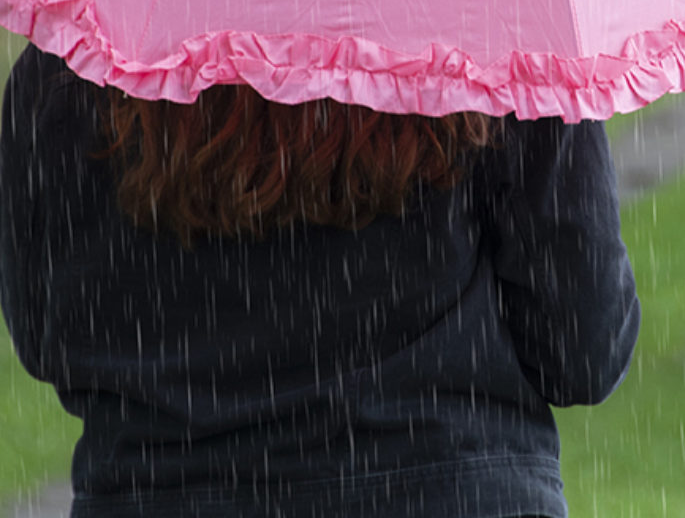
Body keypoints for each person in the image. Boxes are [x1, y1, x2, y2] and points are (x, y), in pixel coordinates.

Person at [0, 43, 639, 518]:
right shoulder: (500, 43)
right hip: (454, 494)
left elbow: (51, 339)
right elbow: (581, 352)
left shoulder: (74, 63)